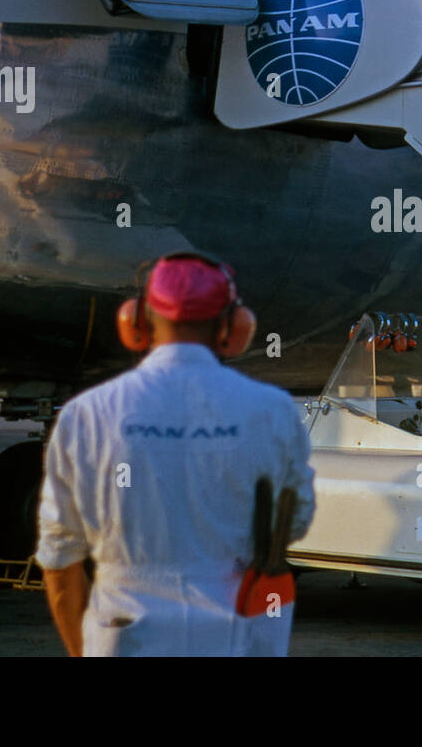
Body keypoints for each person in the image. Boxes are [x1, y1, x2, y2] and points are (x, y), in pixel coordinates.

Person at [36, 253, 316, 656]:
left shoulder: (87, 413)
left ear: (137, 322)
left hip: (122, 635)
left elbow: (60, 560)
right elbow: (295, 523)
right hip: (234, 636)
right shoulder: (273, 410)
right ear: (233, 326)